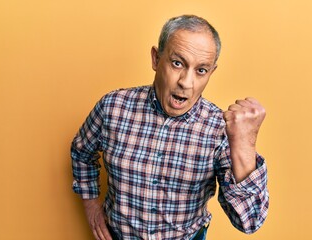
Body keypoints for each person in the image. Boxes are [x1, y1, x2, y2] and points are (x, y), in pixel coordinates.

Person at [71, 15, 269, 240]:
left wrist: (245, 144)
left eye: (201, 70)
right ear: (156, 59)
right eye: (177, 63)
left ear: (211, 73)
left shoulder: (220, 129)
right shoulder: (113, 107)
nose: (186, 82)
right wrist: (92, 208)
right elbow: (81, 152)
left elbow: (249, 221)